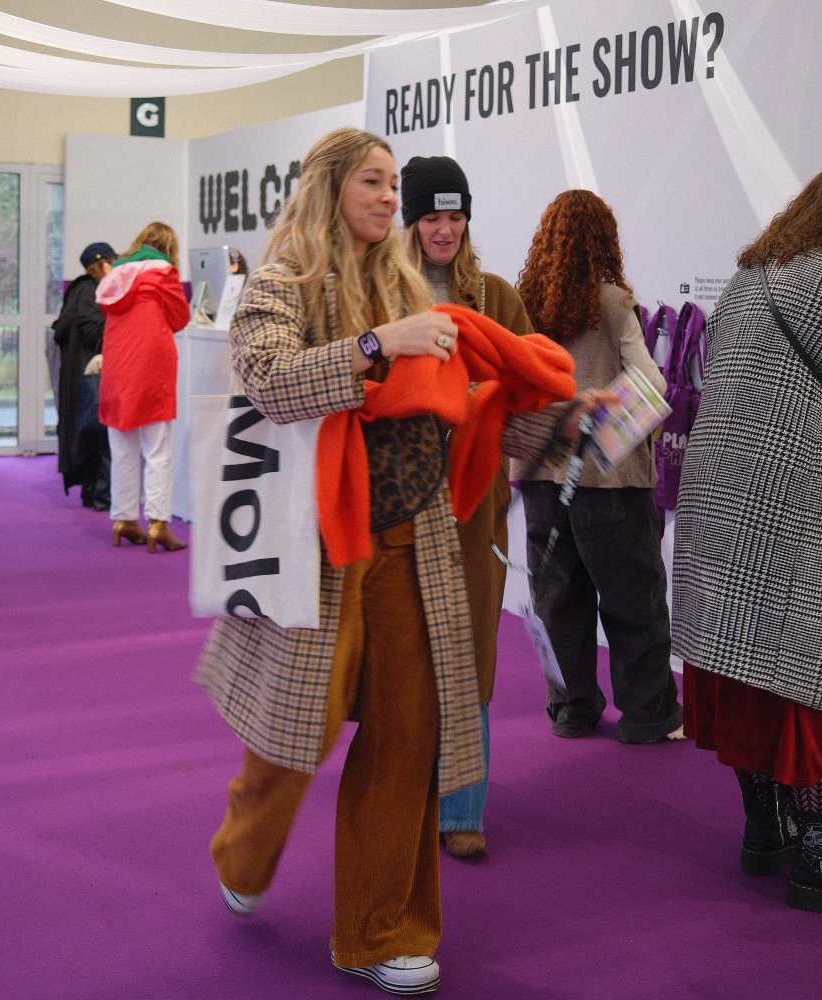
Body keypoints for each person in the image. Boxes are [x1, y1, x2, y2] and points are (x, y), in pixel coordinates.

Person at [194, 127, 593, 996]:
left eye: (391, 184)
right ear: (331, 186)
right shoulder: (283, 280)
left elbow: (462, 409)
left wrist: (564, 423)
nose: (390, 198)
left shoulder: (408, 284)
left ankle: (379, 932)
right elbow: (266, 381)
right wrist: (381, 346)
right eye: (373, 182)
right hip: (319, 552)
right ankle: (243, 845)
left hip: (417, 546)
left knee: (407, 743)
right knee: (294, 738)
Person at [672, 160, 822, 918]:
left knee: (750, 670)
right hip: (804, 508)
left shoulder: (750, 276)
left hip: (725, 504)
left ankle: (766, 828)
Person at [514, 190, 683, 745]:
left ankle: (574, 708)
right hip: (610, 483)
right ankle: (647, 714)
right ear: (605, 239)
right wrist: (603, 435)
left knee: (559, 600)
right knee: (633, 599)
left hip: (541, 476)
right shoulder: (613, 303)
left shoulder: (522, 304)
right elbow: (652, 383)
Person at [401, 154, 533, 860]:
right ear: (411, 222)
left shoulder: (499, 298)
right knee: (405, 654)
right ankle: (403, 793)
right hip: (400, 500)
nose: (444, 230)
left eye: (455, 217)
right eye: (431, 217)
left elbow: (529, 386)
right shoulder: (382, 297)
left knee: (472, 651)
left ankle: (462, 810)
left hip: (477, 503)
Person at [96, 222, 190, 552]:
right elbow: (180, 317)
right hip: (152, 368)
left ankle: (123, 519)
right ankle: (158, 523)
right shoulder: (163, 272)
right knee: (157, 449)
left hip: (118, 367)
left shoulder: (113, 275)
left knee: (122, 446)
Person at [53, 241, 115, 510]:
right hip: (91, 375)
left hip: (79, 376)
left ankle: (93, 493)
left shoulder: (79, 290)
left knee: (88, 434)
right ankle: (102, 495)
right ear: (103, 264)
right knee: (101, 436)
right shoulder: (93, 291)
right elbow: (96, 333)